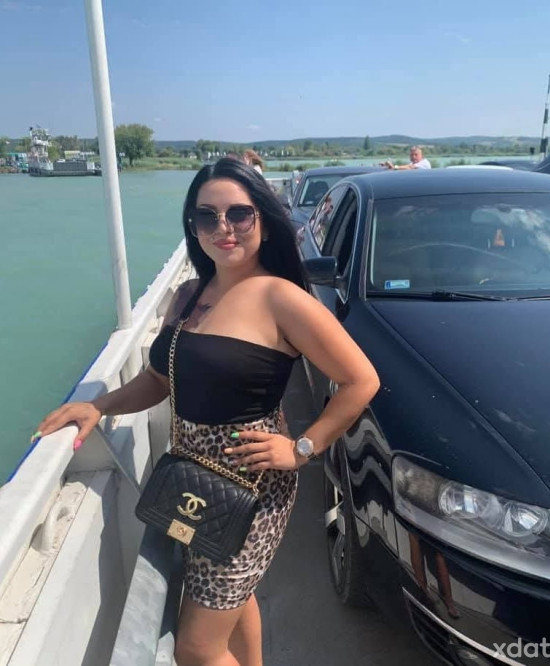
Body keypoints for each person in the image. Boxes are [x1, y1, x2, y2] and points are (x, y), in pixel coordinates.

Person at [34, 157, 380, 666]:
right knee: (235, 603)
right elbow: (158, 380)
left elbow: (361, 380)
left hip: (251, 487)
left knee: (196, 649)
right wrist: (97, 406)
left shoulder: (280, 297)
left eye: (239, 214)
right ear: (193, 226)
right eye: (206, 216)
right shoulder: (187, 295)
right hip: (194, 485)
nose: (223, 228)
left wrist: (303, 448)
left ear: (264, 220)